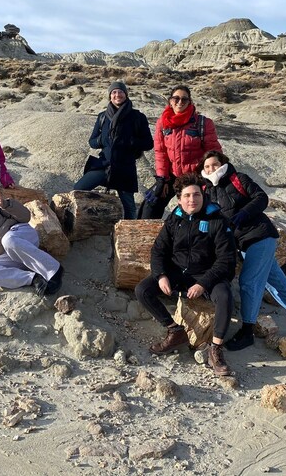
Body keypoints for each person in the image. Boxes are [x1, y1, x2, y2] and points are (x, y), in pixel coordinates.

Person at [198, 150, 286, 351]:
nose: (211, 169)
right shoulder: (206, 190)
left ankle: (247, 331)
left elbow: (261, 198)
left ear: (223, 164)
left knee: (248, 282)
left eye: (214, 165)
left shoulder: (238, 178)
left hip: (260, 235)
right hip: (241, 243)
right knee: (275, 281)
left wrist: (243, 214)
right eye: (207, 166)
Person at [135, 173, 236, 376]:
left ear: (203, 195)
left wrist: (203, 284)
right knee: (142, 290)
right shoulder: (175, 218)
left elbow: (226, 260)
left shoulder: (217, 219)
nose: (192, 200)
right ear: (179, 199)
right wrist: (161, 274)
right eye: (187, 196)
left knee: (225, 296)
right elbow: (158, 250)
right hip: (178, 272)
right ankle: (175, 331)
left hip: (208, 275)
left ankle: (215, 349)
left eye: (196, 195)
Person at [139, 85, 222, 219]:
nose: (180, 102)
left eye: (184, 99)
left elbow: (214, 153)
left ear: (190, 102)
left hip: (196, 176)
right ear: (170, 101)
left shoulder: (203, 123)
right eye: (176, 98)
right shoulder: (162, 123)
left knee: (197, 209)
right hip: (173, 175)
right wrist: (162, 179)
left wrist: (210, 178)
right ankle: (143, 236)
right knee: (151, 203)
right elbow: (161, 152)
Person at [74, 82, 154, 219]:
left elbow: (148, 143)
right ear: (110, 96)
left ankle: (129, 234)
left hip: (125, 167)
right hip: (104, 164)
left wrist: (131, 141)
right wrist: (101, 141)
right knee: (77, 189)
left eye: (120, 92)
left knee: (129, 206)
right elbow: (92, 141)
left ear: (126, 94)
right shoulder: (102, 117)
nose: (117, 95)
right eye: (114, 92)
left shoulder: (137, 117)